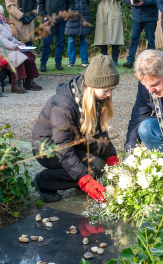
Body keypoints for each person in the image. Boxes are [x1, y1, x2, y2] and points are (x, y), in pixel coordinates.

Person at [31, 55, 120, 203]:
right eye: (106, 90)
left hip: (72, 140)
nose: (109, 94)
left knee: (100, 161)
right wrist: (84, 179)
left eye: (112, 89)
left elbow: (100, 132)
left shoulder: (95, 97)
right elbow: (63, 149)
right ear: (94, 85)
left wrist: (111, 157)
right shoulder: (64, 106)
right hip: (49, 148)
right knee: (95, 168)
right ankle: (44, 181)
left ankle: (74, 177)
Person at [0, 4, 43, 93]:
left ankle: (29, 81)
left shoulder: (4, 22)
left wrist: (19, 43)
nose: (0, 15)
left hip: (9, 46)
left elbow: (11, 38)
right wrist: (14, 46)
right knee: (17, 56)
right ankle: (16, 84)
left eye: (1, 13)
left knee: (29, 54)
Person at [37, 0, 75, 72]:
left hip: (61, 20)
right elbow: (40, 3)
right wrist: (44, 15)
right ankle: (43, 63)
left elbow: (71, 2)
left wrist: (67, 14)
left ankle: (58, 63)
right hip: (48, 19)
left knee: (59, 43)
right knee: (46, 42)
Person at [124, 0, 161, 68]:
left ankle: (151, 63)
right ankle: (130, 61)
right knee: (133, 39)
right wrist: (130, 0)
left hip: (150, 16)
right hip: (137, 16)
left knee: (151, 41)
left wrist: (144, 1)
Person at [93, 0, 125, 65]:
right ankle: (104, 61)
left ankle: (115, 60)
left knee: (116, 38)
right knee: (103, 38)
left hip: (114, 13)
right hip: (102, 14)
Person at [65, 0, 92, 67]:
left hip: (84, 16)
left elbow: (88, 1)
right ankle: (71, 61)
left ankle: (84, 61)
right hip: (72, 17)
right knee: (71, 40)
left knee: (83, 40)